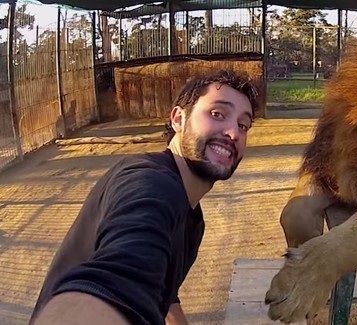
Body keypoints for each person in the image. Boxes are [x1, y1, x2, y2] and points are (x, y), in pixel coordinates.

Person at [30, 70, 259, 325]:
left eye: (243, 125)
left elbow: (163, 292)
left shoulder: (191, 216)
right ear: (178, 119)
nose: (233, 133)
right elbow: (122, 281)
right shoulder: (151, 185)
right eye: (217, 114)